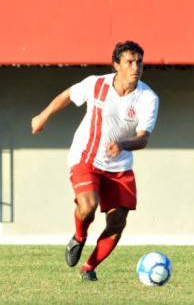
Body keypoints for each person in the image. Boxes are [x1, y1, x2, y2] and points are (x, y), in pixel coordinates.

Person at [31, 41, 159, 281]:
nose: (136, 67)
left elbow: (144, 138)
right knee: (88, 207)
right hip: (86, 158)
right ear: (116, 66)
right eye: (129, 62)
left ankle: (88, 267)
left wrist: (123, 144)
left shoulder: (148, 97)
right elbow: (68, 94)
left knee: (117, 223)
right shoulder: (96, 84)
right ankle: (79, 236)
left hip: (120, 166)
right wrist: (43, 115)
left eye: (139, 61)